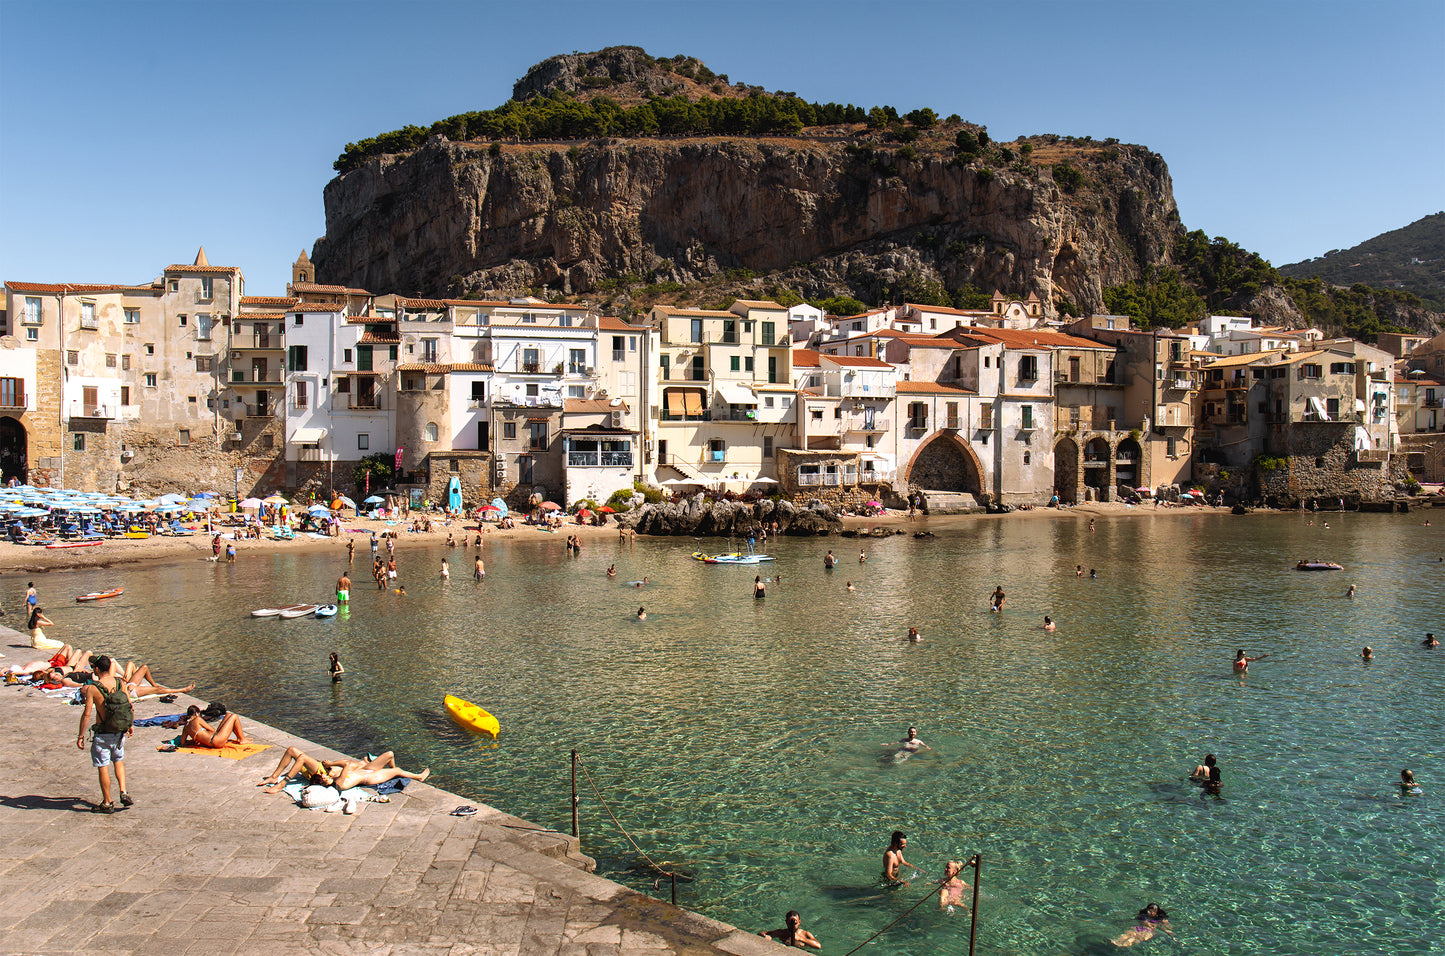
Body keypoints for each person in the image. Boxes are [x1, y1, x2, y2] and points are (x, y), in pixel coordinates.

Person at [77, 656, 134, 813]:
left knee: (103, 766)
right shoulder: (120, 683)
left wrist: (81, 736)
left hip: (103, 733)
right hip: (119, 731)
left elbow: (87, 713)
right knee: (118, 760)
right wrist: (130, 724)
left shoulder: (93, 689)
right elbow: (129, 705)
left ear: (96, 669)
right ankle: (123, 791)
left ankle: (107, 803)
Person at [180, 704, 250, 748]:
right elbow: (212, 729)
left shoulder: (186, 727)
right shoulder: (198, 719)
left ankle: (239, 737)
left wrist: (196, 740)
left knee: (228, 715)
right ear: (196, 714)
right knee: (234, 716)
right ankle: (242, 739)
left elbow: (183, 743)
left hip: (213, 742)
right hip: (216, 741)